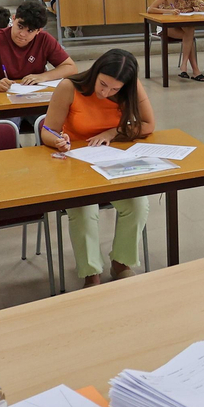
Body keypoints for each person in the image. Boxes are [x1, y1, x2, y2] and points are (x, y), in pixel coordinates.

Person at [39, 49, 153, 285]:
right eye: (103, 85)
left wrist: (114, 132)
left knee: (137, 203)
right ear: (95, 72)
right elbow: (47, 131)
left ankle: (121, 262)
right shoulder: (69, 87)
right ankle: (91, 273)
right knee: (83, 209)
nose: (106, 93)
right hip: (75, 162)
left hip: (111, 160)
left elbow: (148, 124)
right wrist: (58, 141)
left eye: (114, 90)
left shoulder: (131, 87)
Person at [0, 1, 76, 90]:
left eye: (30, 31)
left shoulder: (45, 39)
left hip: (33, 96)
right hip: (0, 97)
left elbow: (70, 67)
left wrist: (43, 77)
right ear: (13, 19)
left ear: (39, 31)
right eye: (20, 26)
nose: (22, 34)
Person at [146, 0, 204, 81]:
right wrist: (169, 12)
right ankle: (194, 70)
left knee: (190, 30)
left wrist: (191, 8)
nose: (184, 0)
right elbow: (150, 9)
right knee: (189, 36)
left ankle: (184, 66)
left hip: (180, 26)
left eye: (188, 0)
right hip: (165, 26)